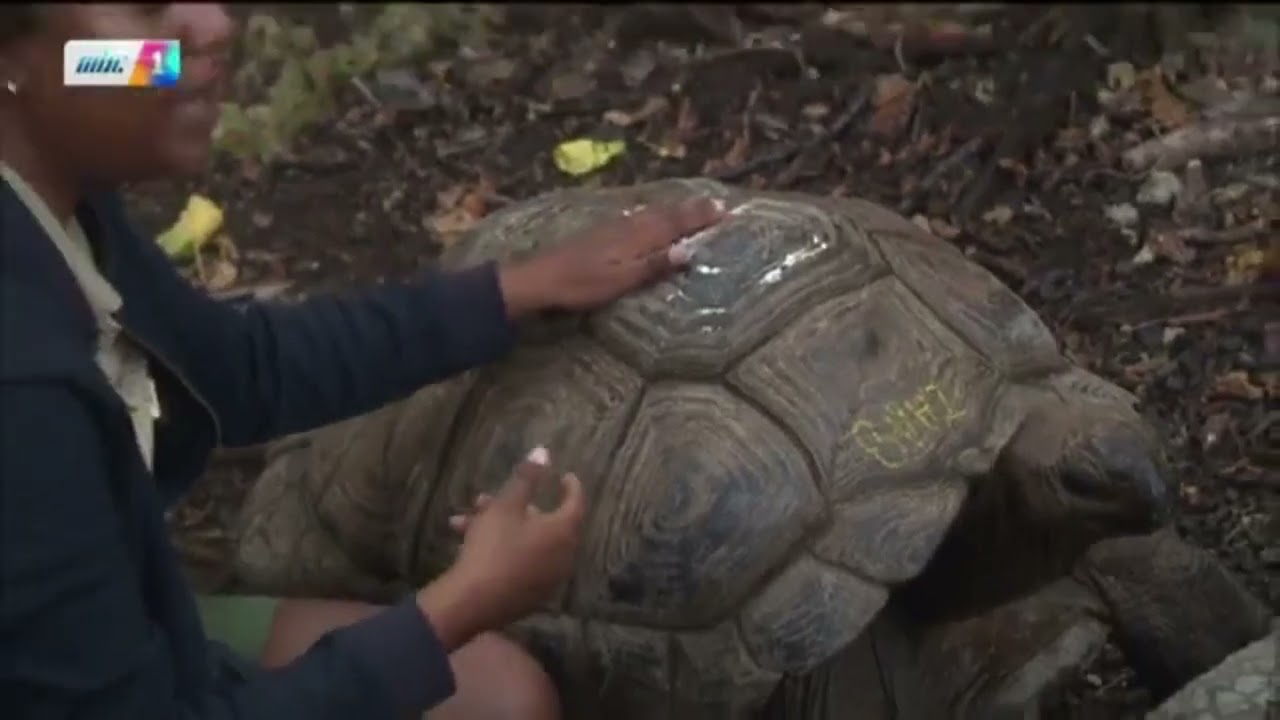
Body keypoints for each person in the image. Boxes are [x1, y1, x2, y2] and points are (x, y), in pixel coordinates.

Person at [0, 4, 724, 720]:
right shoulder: (23, 390)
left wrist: (517, 289)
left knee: (496, 693)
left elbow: (243, 367)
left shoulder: (56, 202)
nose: (213, 25)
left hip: (131, 628)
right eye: (146, 8)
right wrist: (459, 605)